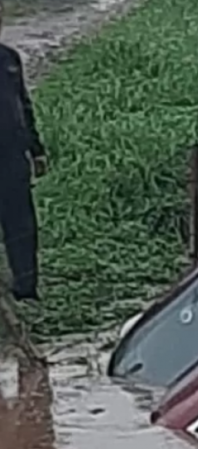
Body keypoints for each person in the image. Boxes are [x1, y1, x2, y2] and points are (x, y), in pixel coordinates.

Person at [0, 0, 48, 301]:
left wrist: (36, 148)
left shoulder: (9, 59)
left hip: (13, 158)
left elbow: (24, 107)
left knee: (22, 226)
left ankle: (26, 290)